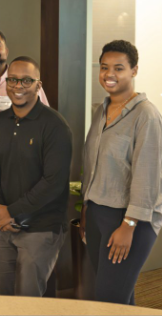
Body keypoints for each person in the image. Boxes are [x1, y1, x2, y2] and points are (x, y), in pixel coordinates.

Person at [0, 29, 50, 294]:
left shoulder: (24, 84)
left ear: (6, 50)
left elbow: (44, 126)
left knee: (16, 254)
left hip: (16, 184)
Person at [80, 40, 162, 305]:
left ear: (134, 70)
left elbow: (147, 175)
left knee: (109, 300)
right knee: (120, 298)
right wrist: (85, 211)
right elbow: (93, 166)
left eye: (119, 68)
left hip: (129, 220)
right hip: (97, 214)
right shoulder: (101, 111)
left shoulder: (146, 115)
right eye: (104, 67)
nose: (109, 74)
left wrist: (129, 225)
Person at [0, 56, 72, 297]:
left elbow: (53, 182)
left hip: (40, 227)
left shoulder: (55, 125)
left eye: (26, 80)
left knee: (28, 302)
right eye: (13, 80)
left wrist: (12, 212)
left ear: (38, 85)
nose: (18, 86)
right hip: (4, 226)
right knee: (6, 299)